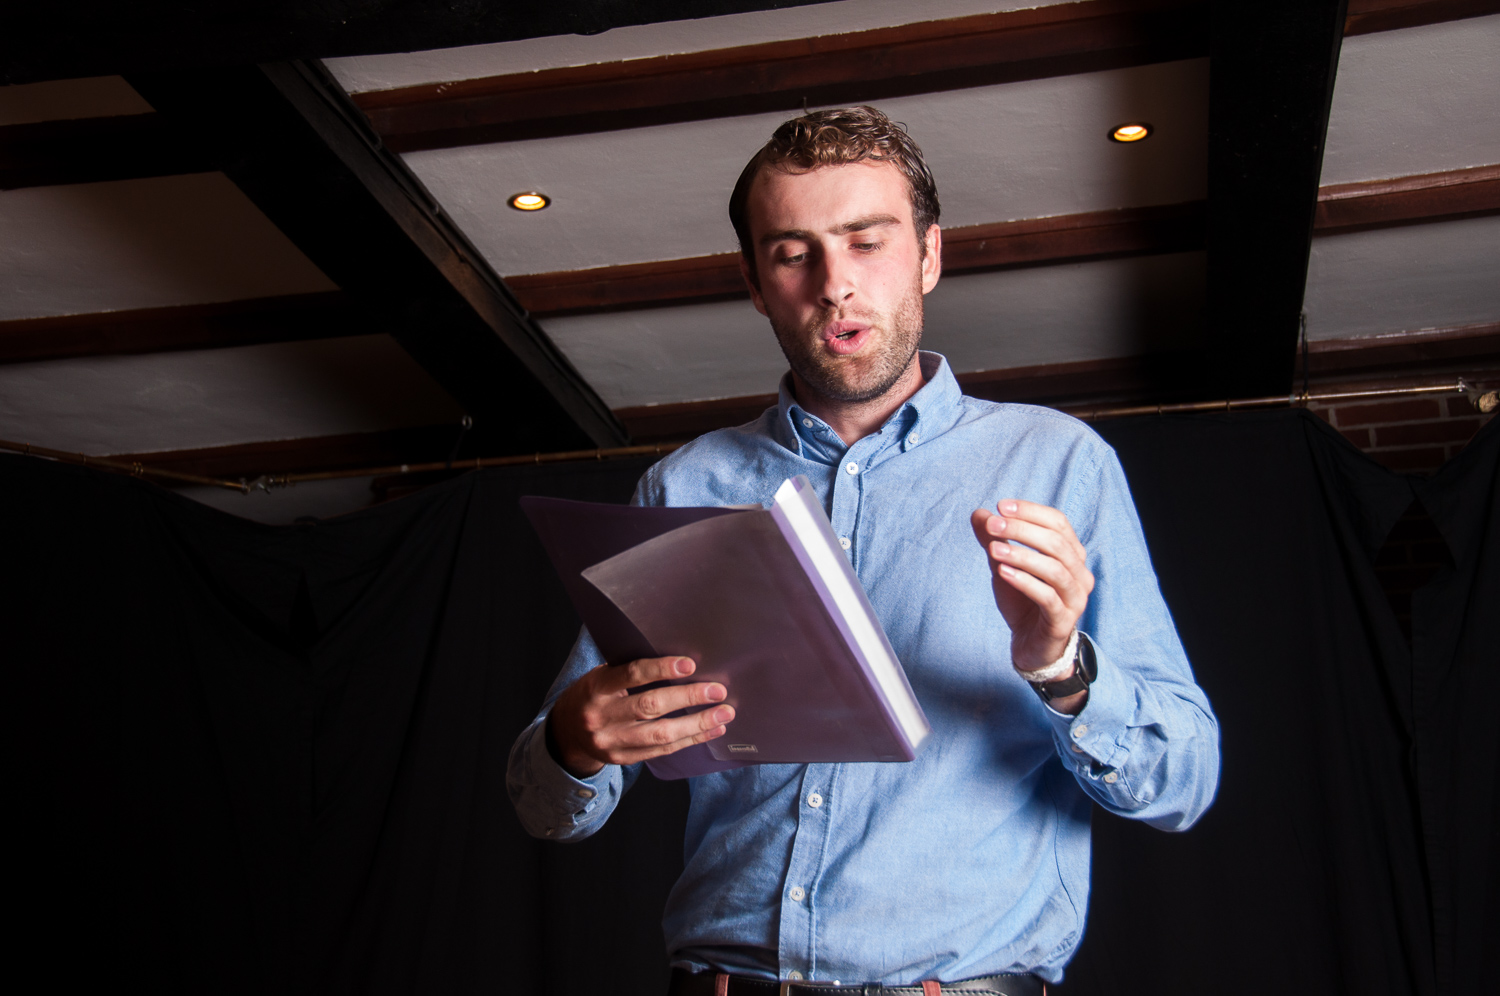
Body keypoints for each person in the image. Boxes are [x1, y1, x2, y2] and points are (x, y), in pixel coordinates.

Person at [508, 106, 1220, 994]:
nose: (834, 285)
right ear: (756, 282)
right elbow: (547, 807)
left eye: (867, 242)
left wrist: (1060, 666)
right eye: (793, 253)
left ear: (928, 256)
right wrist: (573, 740)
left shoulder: (1059, 464)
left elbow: (1182, 783)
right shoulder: (684, 485)